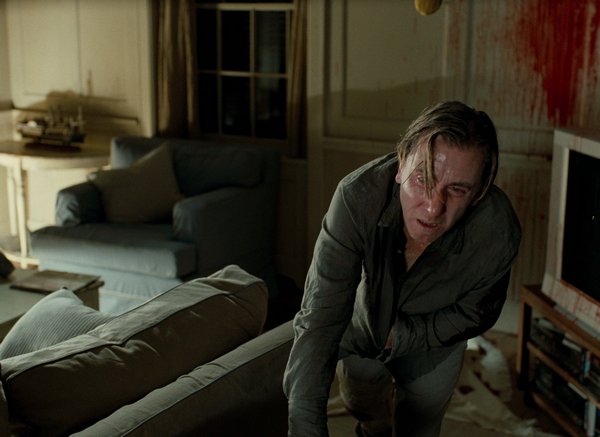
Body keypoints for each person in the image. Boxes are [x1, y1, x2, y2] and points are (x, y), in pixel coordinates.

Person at [283, 101, 521, 437]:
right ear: (400, 164)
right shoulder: (356, 198)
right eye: (423, 178)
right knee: (362, 406)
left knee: (419, 428)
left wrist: (402, 336)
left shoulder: (497, 230)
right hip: (363, 326)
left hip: (436, 346)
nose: (434, 207)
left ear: (478, 192)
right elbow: (319, 321)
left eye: (457, 189)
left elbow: (476, 314)